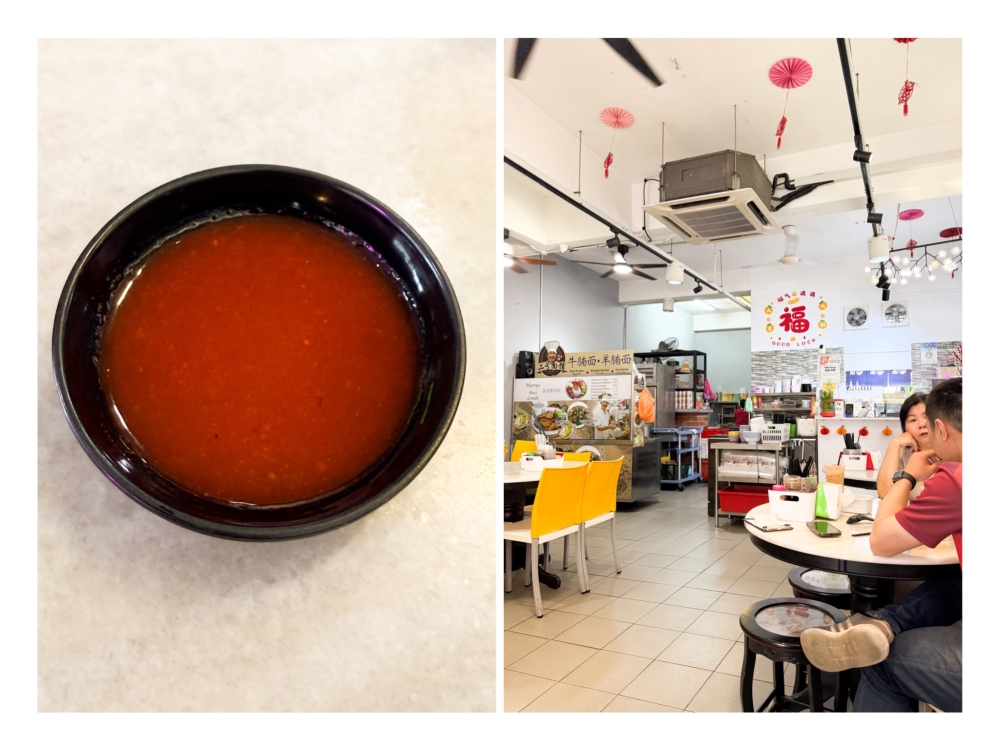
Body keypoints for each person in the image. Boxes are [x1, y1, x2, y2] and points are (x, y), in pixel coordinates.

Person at [801, 377, 962, 712]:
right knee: (953, 585)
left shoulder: (956, 477)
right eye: (911, 421)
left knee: (881, 662)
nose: (921, 429)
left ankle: (875, 629)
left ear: (940, 429)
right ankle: (880, 622)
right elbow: (884, 493)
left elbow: (881, 541)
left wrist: (908, 476)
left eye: (926, 423)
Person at [875, 391, 932, 500]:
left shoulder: (955, 452)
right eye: (913, 420)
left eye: (927, 417)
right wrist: (894, 444)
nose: (921, 424)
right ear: (905, 427)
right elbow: (885, 494)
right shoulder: (904, 454)